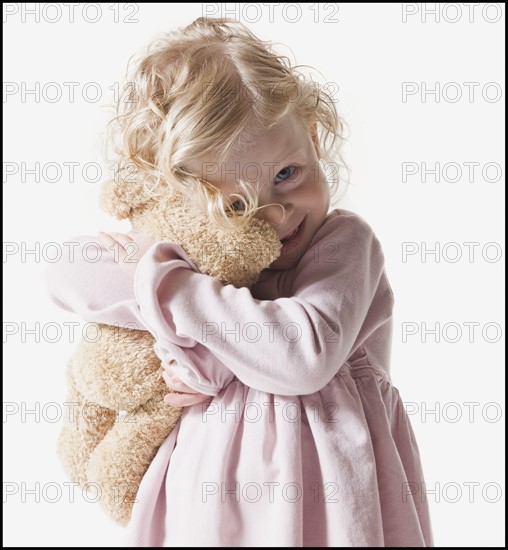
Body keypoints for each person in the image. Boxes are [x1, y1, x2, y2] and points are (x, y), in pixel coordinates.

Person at [46, 17, 434, 547]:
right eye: (235, 204)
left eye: (286, 174)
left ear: (314, 139)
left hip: (333, 507)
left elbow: (300, 356)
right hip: (205, 507)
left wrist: (190, 322)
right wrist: (166, 277)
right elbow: (68, 273)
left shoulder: (343, 245)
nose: (275, 214)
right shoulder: (190, 260)